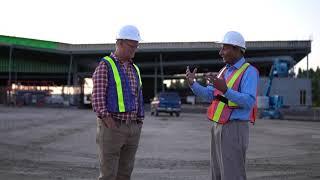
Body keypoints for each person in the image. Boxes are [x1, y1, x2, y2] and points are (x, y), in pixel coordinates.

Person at [186, 31, 259, 180]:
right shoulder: (223, 71)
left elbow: (249, 102)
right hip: (218, 126)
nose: (220, 53)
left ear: (237, 49)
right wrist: (193, 84)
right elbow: (210, 95)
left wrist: (226, 90)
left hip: (235, 128)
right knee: (217, 173)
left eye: (224, 48)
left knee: (232, 174)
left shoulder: (249, 72)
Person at [92, 25, 144, 180]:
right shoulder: (105, 65)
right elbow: (97, 97)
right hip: (113, 127)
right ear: (119, 43)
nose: (134, 50)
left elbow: (137, 96)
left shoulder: (135, 68)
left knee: (125, 173)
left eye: (136, 46)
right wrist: (108, 120)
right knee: (108, 174)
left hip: (133, 128)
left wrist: (139, 122)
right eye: (131, 46)